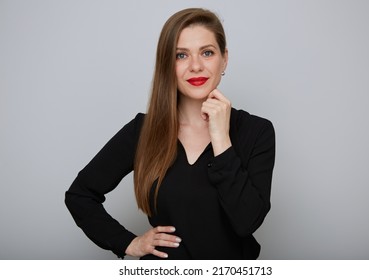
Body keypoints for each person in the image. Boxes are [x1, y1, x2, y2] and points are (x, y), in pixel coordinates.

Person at [65, 7, 275, 260]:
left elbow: (247, 222)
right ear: (167, 64)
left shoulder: (257, 131)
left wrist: (221, 139)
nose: (196, 66)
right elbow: (80, 195)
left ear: (224, 59)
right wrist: (128, 243)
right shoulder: (142, 131)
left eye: (207, 53)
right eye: (181, 55)